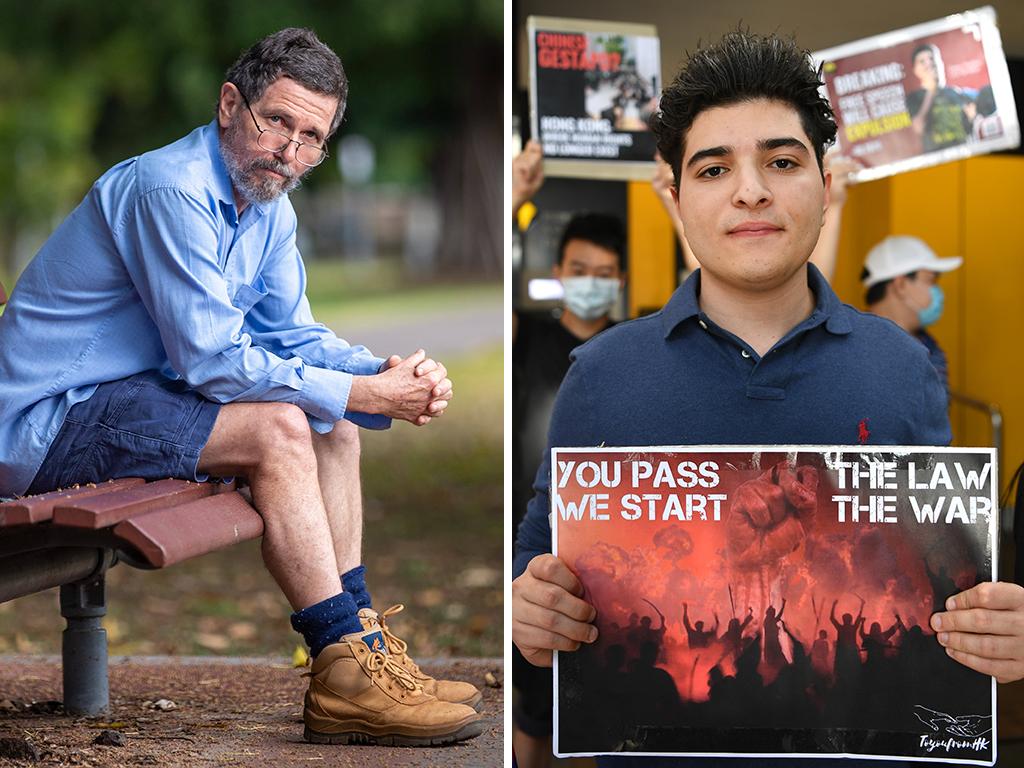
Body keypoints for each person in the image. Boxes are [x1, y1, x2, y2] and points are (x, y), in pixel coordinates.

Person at [512, 29, 1024, 767]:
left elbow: (942, 576)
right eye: (714, 168)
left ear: (825, 182)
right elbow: (539, 571)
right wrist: (534, 611)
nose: (751, 188)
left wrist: (995, 630)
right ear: (678, 197)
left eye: (782, 161)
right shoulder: (599, 375)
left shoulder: (905, 370)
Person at [0, 28, 483, 747]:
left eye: (311, 136)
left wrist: (378, 375)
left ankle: (363, 652)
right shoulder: (168, 189)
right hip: (43, 421)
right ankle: (342, 671)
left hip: (117, 403)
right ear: (231, 104)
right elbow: (211, 361)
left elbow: (291, 335)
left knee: (332, 422)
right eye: (278, 120)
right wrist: (357, 392)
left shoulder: (268, 207)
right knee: (281, 427)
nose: (290, 150)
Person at [861, 235, 962, 395]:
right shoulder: (856, 349)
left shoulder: (930, 346)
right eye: (931, 281)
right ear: (900, 285)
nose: (938, 292)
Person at [907, 42, 977, 153]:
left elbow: (968, 129)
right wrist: (931, 91)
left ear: (941, 63)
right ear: (916, 70)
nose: (929, 64)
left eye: (931, 58)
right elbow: (918, 127)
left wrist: (971, 118)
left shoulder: (956, 93)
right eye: (922, 61)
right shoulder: (913, 98)